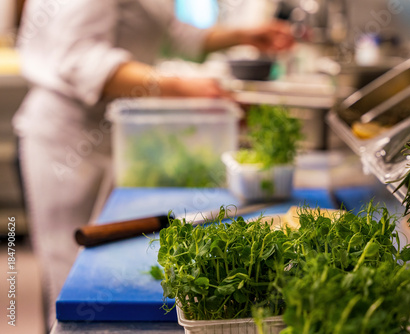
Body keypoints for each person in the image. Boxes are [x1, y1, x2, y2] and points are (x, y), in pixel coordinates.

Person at [13, 0, 294, 329]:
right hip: (67, 138)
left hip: (113, 128)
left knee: (104, 254)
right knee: (72, 275)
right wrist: (177, 88)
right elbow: (78, 58)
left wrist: (244, 35)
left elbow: (170, 32)